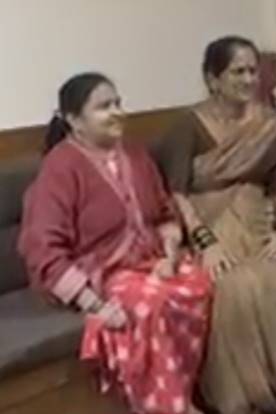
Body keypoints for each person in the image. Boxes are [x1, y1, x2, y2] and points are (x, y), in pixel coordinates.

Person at [18, 73, 212, 414]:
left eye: (118, 103)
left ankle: (184, 389)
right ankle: (165, 406)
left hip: (150, 262)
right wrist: (94, 305)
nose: (117, 112)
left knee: (200, 282)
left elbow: (164, 213)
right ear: (74, 120)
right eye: (104, 107)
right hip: (99, 276)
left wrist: (169, 256)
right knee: (150, 302)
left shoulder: (135, 154)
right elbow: (42, 248)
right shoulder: (60, 166)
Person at [154, 36, 276, 414]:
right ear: (213, 79)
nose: (249, 79)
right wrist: (205, 241)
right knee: (233, 285)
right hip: (208, 228)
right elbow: (175, 191)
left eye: (253, 71)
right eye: (238, 71)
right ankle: (243, 398)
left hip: (258, 223)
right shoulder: (188, 125)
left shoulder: (267, 124)